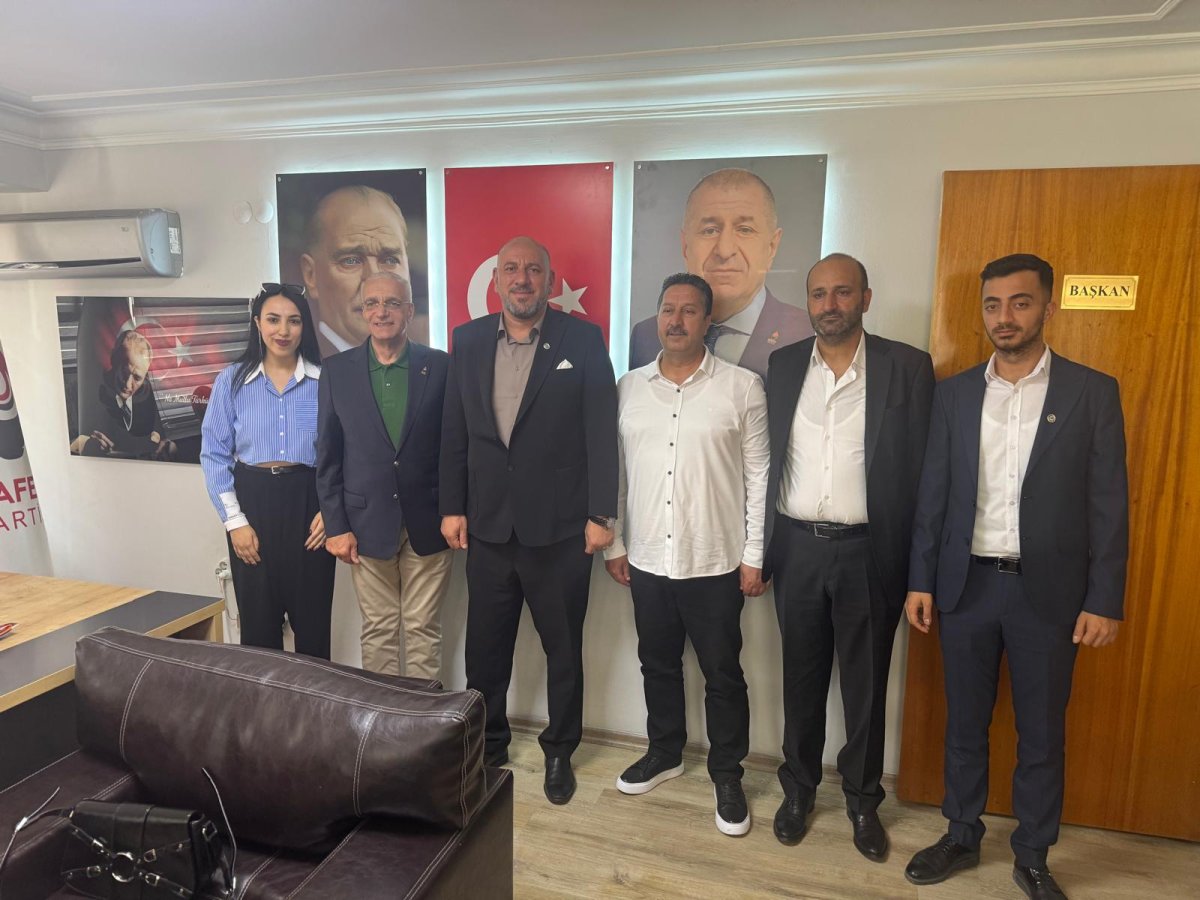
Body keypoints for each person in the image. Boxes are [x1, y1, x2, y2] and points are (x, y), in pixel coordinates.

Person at [903, 254, 1128, 900]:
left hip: (1049, 596)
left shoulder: (1090, 391)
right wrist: (921, 580)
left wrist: (1105, 598)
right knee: (964, 724)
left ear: (1047, 307)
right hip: (965, 588)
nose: (1004, 317)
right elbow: (933, 494)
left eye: (1020, 302)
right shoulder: (954, 394)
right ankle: (961, 833)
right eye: (993, 304)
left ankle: (1032, 854)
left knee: (1042, 733)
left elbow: (1109, 503)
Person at [763, 253, 933, 859]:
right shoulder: (783, 365)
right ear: (807, 302)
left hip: (870, 552)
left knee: (866, 686)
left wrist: (920, 571)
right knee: (801, 679)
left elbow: (926, 475)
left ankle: (863, 802)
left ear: (865, 298)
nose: (829, 305)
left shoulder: (907, 367)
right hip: (797, 549)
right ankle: (799, 791)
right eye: (818, 294)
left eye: (842, 293)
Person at [440, 235, 618, 805]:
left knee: (562, 649)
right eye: (511, 269)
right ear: (495, 280)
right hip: (488, 527)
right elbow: (455, 430)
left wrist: (601, 513)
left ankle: (560, 750)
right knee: (485, 651)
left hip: (561, 530)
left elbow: (600, 430)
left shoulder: (582, 339)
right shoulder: (468, 340)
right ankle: (487, 746)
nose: (522, 279)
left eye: (533, 270)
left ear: (549, 279)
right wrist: (452, 506)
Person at [604, 272, 768, 836]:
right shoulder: (628, 388)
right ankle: (665, 751)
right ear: (657, 317)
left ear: (707, 320)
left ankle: (727, 773)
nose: (675, 320)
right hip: (648, 557)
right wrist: (616, 543)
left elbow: (759, 476)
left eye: (689, 310)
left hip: (715, 560)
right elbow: (616, 475)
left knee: (723, 674)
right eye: (667, 309)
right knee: (657, 663)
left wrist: (755, 554)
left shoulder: (742, 388)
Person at [316, 271, 452, 680]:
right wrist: (336, 526)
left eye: (392, 303)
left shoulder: (440, 366)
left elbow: (453, 448)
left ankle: (422, 714)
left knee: (423, 628)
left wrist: (454, 509)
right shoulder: (337, 371)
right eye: (372, 303)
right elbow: (328, 456)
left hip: (429, 520)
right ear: (362, 311)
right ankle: (383, 714)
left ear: (409, 311)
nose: (382, 312)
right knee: (378, 629)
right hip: (364, 522)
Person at [201, 283, 335, 658]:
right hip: (252, 506)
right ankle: (262, 700)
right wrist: (235, 522)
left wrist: (332, 510)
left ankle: (312, 699)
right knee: (258, 631)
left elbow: (344, 453)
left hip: (310, 505)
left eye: (294, 321)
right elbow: (214, 454)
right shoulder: (231, 381)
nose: (283, 330)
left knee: (313, 628)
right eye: (273, 320)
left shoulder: (327, 381)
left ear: (304, 326)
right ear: (257, 323)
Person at [628, 168, 811, 380]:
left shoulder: (806, 333)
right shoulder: (646, 336)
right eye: (709, 230)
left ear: (772, 246)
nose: (724, 250)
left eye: (744, 230)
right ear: (685, 246)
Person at [299, 184, 428, 357]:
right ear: (311, 275)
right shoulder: (298, 363)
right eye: (351, 261)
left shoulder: (430, 353)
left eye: (390, 260)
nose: (375, 283)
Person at [70, 330, 177, 461]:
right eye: (124, 372)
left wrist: (168, 447)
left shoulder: (149, 393)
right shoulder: (82, 390)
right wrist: (87, 445)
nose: (127, 384)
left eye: (137, 378)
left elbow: (159, 436)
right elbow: (65, 444)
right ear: (114, 361)